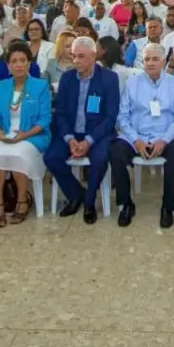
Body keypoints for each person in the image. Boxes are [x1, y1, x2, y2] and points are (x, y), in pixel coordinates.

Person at [110, 42, 174, 229]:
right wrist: (136, 141)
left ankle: (167, 207)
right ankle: (126, 204)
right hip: (136, 135)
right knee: (115, 152)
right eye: (146, 59)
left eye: (155, 59)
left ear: (163, 61)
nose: (150, 63)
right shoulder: (131, 83)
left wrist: (163, 140)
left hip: (166, 135)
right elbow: (123, 117)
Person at [46, 36, 120, 224]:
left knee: (100, 158)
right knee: (51, 157)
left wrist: (88, 141)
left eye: (81, 57)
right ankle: (77, 194)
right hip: (71, 131)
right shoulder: (67, 78)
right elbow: (60, 113)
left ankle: (89, 202)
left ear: (94, 56)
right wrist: (70, 139)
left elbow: (110, 117)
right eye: (74, 56)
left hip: (97, 133)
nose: (76, 61)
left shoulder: (109, 79)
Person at [0, 41, 52, 227]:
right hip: (4, 133)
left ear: (29, 63)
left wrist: (26, 134)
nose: (19, 64)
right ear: (8, 66)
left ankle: (22, 200)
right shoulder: (0, 87)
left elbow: (45, 119)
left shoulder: (39, 86)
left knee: (19, 152)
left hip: (32, 135)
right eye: (14, 61)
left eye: (23, 60)